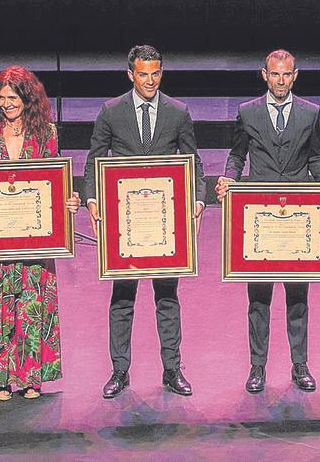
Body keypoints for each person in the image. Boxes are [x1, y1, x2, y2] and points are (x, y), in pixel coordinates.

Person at [215, 50, 320, 394]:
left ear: (295, 75)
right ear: (264, 75)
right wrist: (229, 178)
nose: (280, 80)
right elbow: (236, 155)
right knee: (258, 298)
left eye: (286, 75)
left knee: (297, 297)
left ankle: (299, 365)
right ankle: (257, 367)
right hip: (259, 218)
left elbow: (316, 159)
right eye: (275, 75)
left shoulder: (310, 113)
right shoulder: (247, 112)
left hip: (297, 219)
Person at [83, 45, 207, 399]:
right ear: (130, 74)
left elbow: (193, 162)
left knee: (167, 297)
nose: (149, 80)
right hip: (124, 224)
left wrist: (199, 200)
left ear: (161, 73)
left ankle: (172, 369)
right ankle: (119, 371)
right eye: (142, 74)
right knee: (122, 298)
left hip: (166, 223)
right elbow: (94, 162)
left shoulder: (178, 112)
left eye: (155, 74)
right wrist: (92, 201)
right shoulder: (110, 111)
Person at [0, 66, 81, 401]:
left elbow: (54, 178)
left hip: (34, 235)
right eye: (2, 98)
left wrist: (68, 200)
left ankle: (31, 378)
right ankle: (1, 378)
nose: (7, 103)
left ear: (28, 98)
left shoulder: (46, 133)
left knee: (32, 302)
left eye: (13, 97)